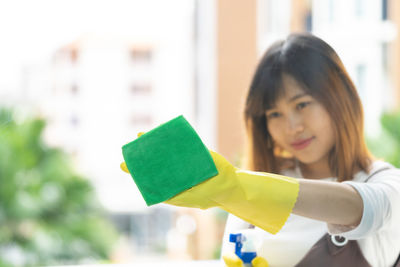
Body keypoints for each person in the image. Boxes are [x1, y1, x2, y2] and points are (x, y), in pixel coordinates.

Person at [220, 33, 400, 267]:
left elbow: (366, 209)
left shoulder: (385, 183)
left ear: (340, 99)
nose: (293, 127)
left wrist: (246, 188)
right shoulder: (252, 191)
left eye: (302, 104)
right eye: (275, 114)